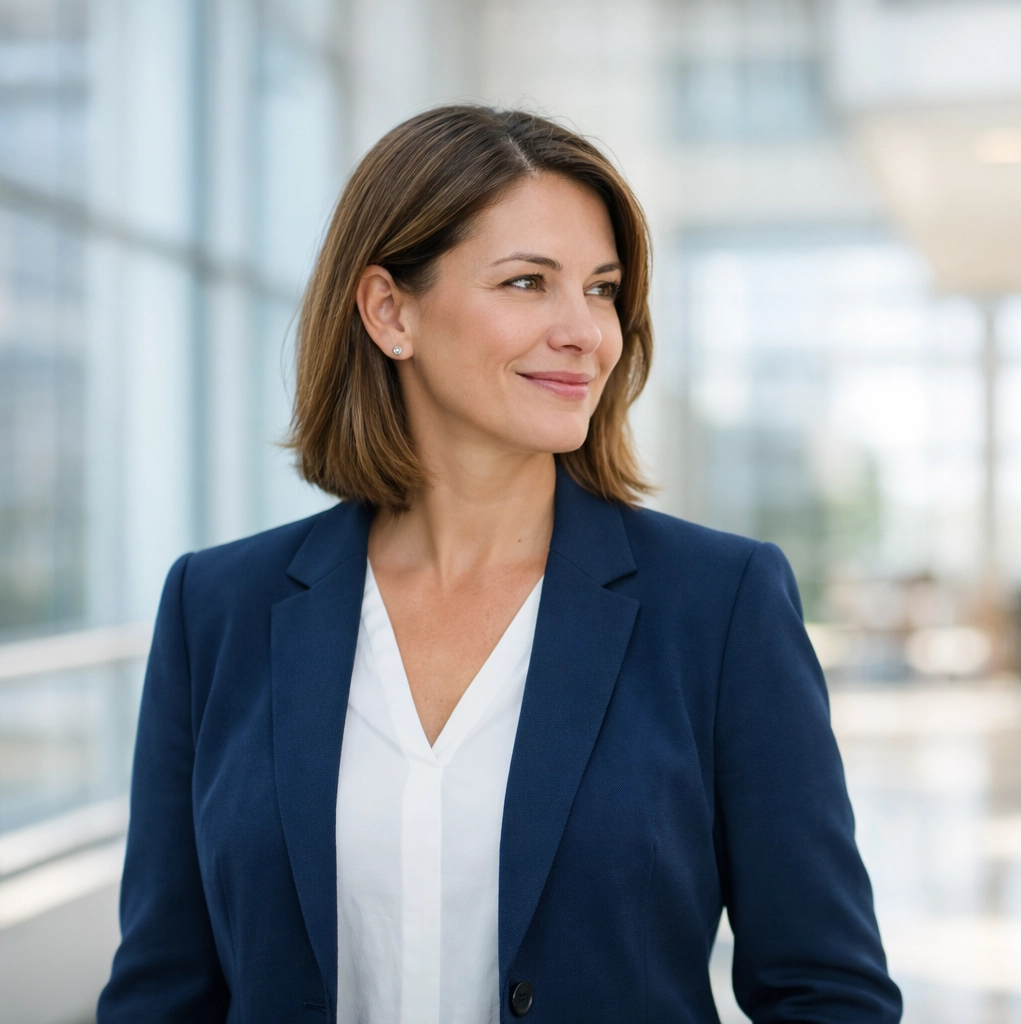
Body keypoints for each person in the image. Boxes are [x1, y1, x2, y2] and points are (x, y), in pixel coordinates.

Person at [97, 106, 901, 1023]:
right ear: (389, 311)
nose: (585, 332)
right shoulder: (217, 608)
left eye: (601, 290)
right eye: (528, 283)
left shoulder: (719, 606)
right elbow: (162, 990)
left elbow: (828, 991)